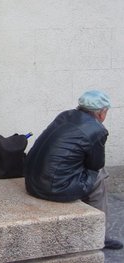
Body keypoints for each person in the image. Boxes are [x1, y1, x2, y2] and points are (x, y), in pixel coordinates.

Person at [24, 90, 123, 250]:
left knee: (88, 172)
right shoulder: (97, 130)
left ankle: (89, 216)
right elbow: (96, 164)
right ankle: (100, 235)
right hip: (54, 189)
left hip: (32, 181)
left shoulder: (65, 115)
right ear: (101, 113)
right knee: (100, 175)